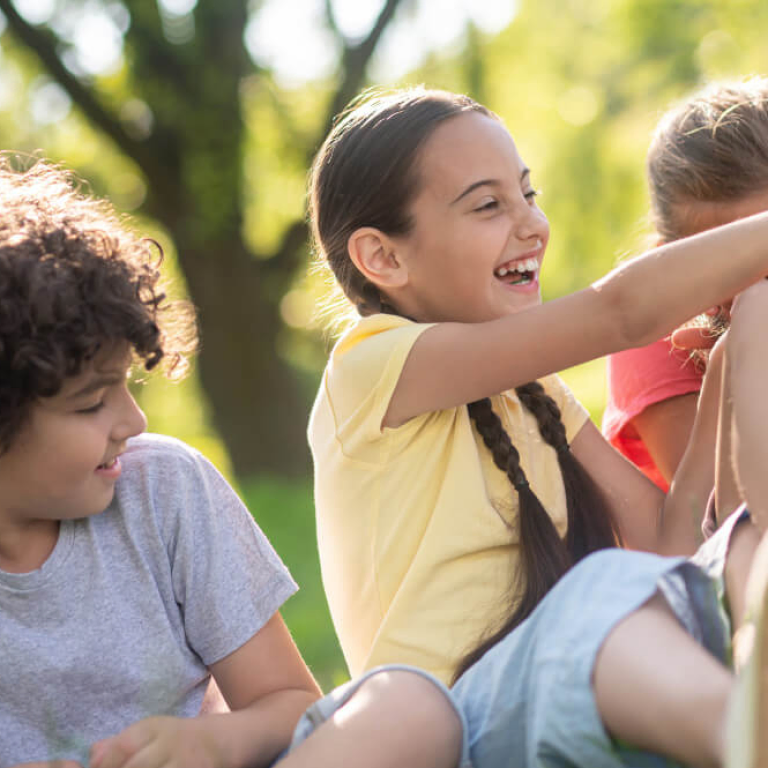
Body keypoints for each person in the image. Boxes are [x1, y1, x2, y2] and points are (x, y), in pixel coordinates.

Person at [301, 84, 768, 767]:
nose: (533, 225)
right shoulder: (367, 368)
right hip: (456, 726)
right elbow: (620, 313)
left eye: (529, 194)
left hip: (571, 695)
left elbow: (670, 541)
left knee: (744, 543)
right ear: (384, 257)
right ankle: (743, 736)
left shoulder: (538, 395)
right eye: (489, 205)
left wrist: (738, 346)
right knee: (599, 590)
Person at [0, 157, 463, 768]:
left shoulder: (163, 490)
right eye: (90, 404)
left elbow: (290, 704)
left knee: (405, 702)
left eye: (126, 387)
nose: (133, 423)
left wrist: (212, 742)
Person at [603, 77, 768, 491]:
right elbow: (720, 508)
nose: (758, 285)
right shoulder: (654, 332)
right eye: (731, 267)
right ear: (671, 263)